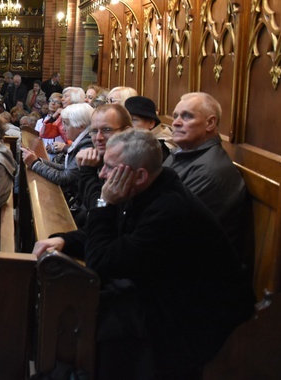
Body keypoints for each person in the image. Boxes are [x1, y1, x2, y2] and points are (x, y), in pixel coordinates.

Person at [33, 130, 254, 378]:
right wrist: (64, 239)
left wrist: (104, 203)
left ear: (139, 175)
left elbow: (101, 261)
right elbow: (113, 234)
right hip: (162, 289)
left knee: (100, 314)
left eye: (109, 168)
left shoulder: (168, 207)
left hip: (193, 315)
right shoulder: (145, 187)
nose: (102, 174)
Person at [164, 92, 247, 247]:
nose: (176, 122)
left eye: (186, 116)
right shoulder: (182, 153)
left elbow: (167, 225)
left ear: (210, 123)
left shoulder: (210, 171)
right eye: (175, 116)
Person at [23, 103, 94, 208]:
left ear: (80, 127)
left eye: (66, 124)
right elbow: (66, 168)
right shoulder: (82, 141)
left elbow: (64, 178)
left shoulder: (86, 145)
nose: (63, 128)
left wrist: (34, 164)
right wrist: (39, 160)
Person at [125, 95, 177, 160]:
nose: (127, 125)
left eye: (133, 120)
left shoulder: (160, 149)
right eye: (125, 119)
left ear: (151, 123)